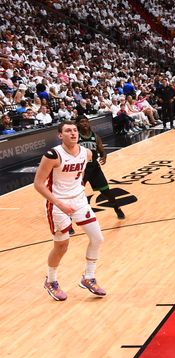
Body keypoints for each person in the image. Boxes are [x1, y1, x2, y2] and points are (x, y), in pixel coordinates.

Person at [33, 121, 106, 301]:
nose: (72, 133)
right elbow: (38, 184)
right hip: (57, 204)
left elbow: (82, 173)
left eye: (74, 130)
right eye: (67, 131)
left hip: (79, 200)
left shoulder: (87, 153)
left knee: (97, 238)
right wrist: (60, 204)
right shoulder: (53, 155)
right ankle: (51, 281)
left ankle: (88, 277)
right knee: (62, 246)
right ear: (60, 135)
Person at [77, 115, 125, 220]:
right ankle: (69, 221)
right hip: (81, 170)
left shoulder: (95, 136)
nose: (84, 123)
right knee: (75, 194)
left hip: (94, 168)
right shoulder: (76, 137)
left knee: (106, 191)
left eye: (86, 121)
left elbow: (102, 151)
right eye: (81, 122)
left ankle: (117, 209)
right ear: (78, 124)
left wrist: (104, 157)